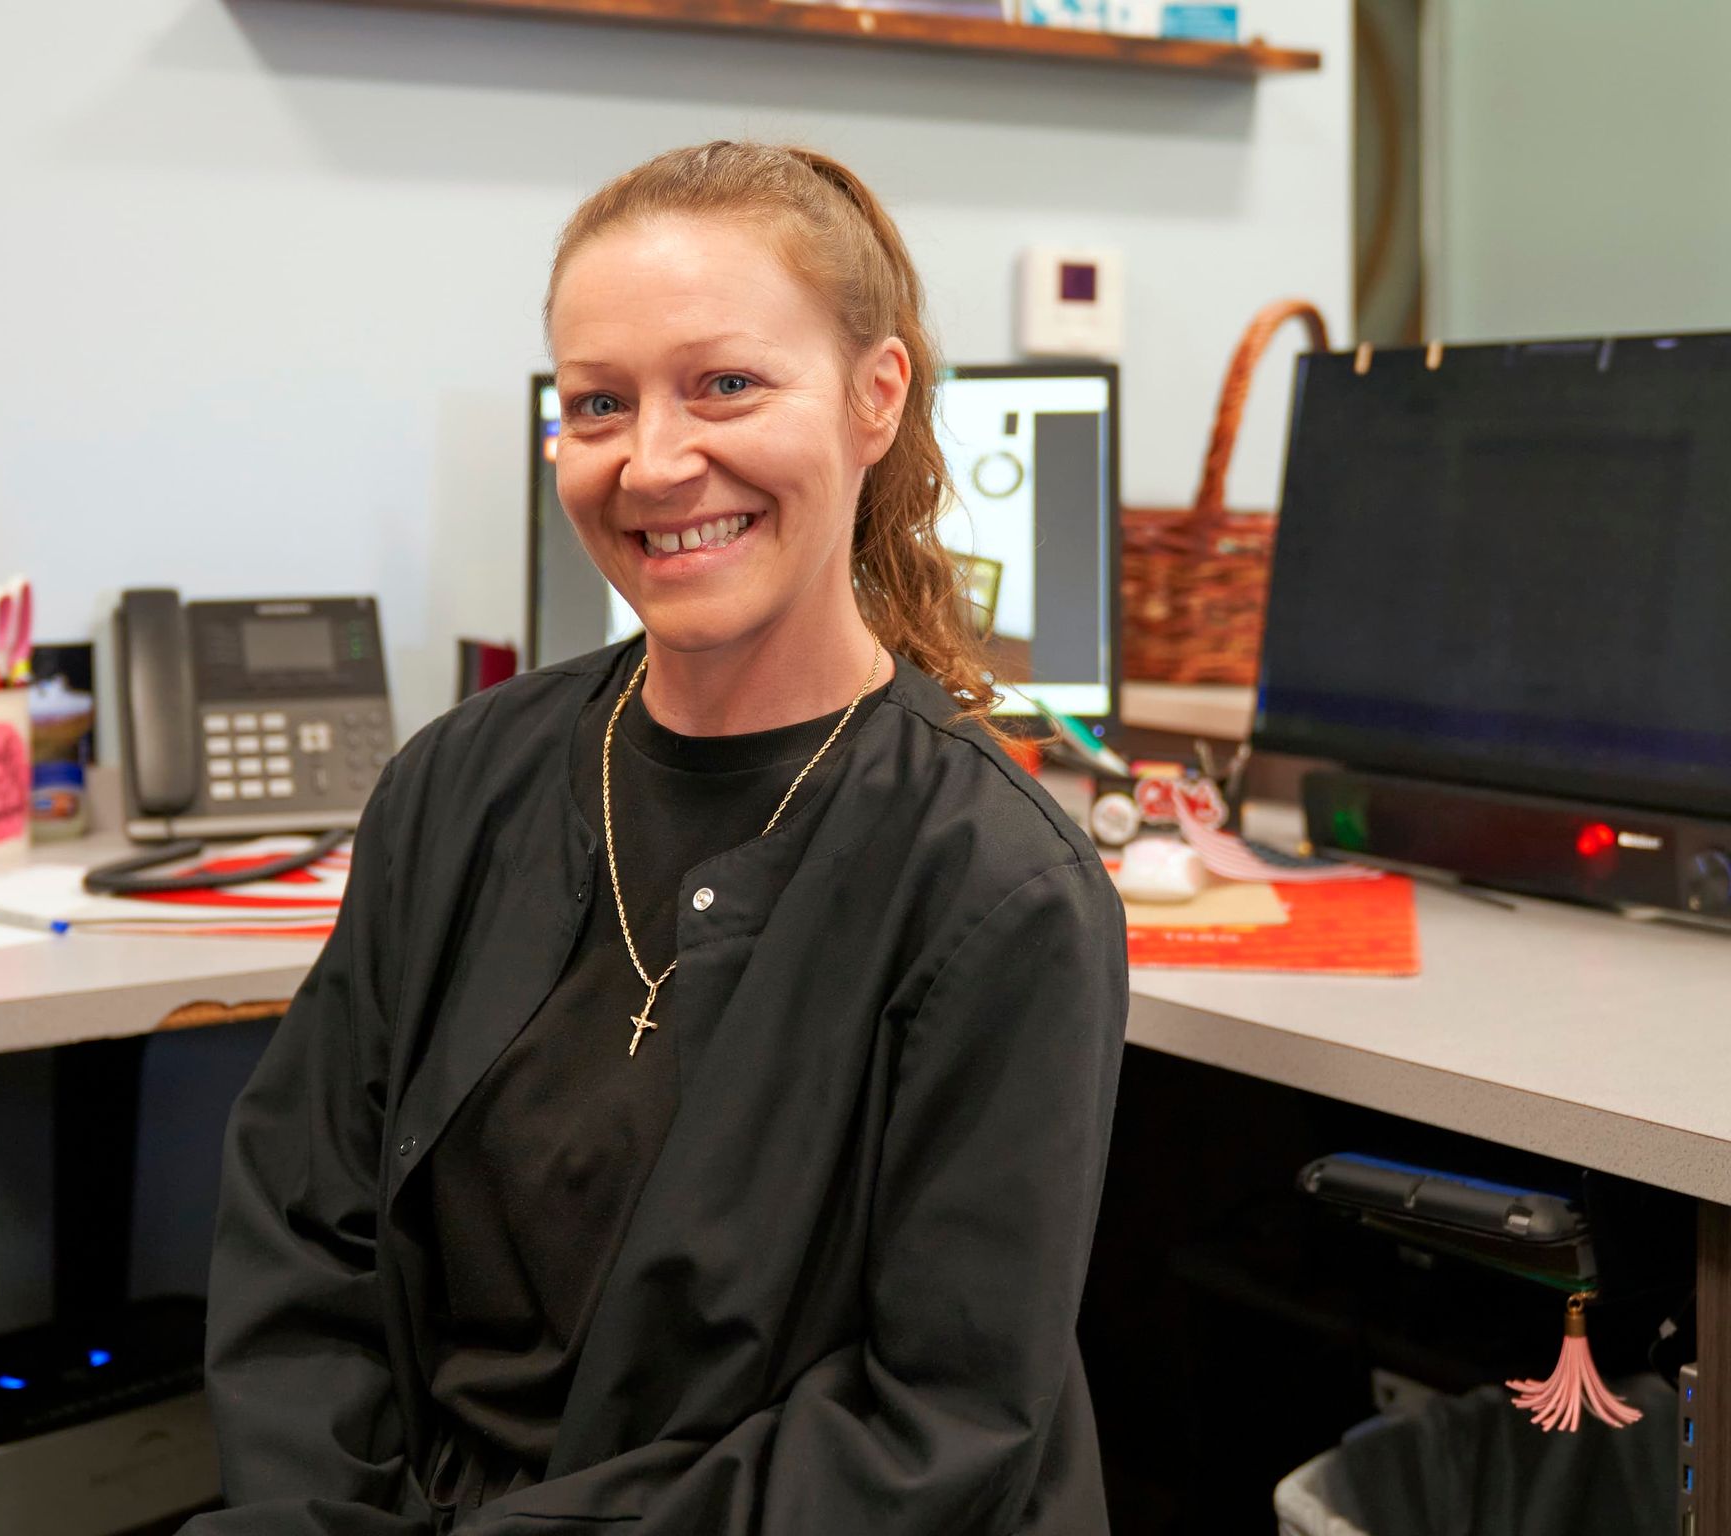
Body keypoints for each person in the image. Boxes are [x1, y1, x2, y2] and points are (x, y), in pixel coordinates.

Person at [186, 140, 1127, 1536]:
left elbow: (932, 1423)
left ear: (877, 401)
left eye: (726, 385)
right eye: (598, 404)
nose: (657, 460)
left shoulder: (999, 888)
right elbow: (301, 1242)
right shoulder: (458, 785)